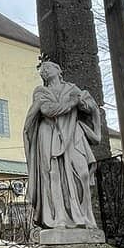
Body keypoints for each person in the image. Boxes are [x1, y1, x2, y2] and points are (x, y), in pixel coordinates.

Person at [23, 60, 102, 230]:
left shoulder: (72, 88)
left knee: (82, 173)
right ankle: (59, 217)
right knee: (53, 175)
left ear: (59, 70)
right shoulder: (41, 91)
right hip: (49, 133)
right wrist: (72, 103)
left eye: (48, 67)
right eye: (42, 69)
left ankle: (85, 216)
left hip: (73, 134)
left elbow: (91, 107)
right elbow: (47, 110)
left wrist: (83, 103)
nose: (44, 70)